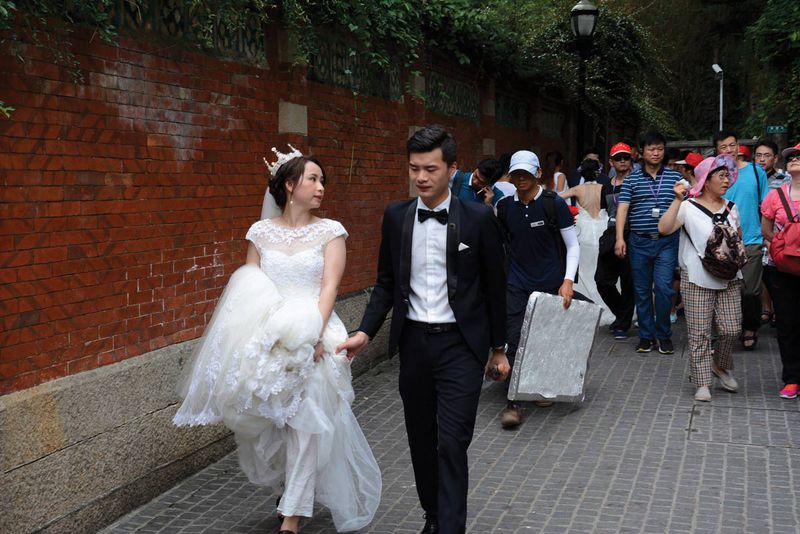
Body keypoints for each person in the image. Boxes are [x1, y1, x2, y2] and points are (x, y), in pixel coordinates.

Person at [174, 148, 381, 534]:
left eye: (322, 181)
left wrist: (312, 336)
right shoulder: (260, 233)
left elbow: (329, 286)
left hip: (317, 329)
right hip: (269, 331)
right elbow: (250, 287)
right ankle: (289, 487)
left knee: (308, 418)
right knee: (274, 422)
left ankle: (292, 517)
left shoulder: (331, 231)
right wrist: (259, 335)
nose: (321, 187)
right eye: (312, 179)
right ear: (289, 185)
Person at [337, 125, 509, 534]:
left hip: (461, 346)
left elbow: (495, 286)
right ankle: (433, 515)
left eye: (430, 168)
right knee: (420, 440)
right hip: (413, 344)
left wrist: (498, 348)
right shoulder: (396, 217)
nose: (421, 178)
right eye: (414, 168)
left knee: (452, 443)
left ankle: (449, 527)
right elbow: (384, 285)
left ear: (452, 169)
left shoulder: (479, 218)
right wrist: (365, 331)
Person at [495, 150, 581, 427]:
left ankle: (542, 385)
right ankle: (514, 402)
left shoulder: (553, 204)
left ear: (538, 174)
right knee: (514, 336)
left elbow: (572, 245)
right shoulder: (505, 207)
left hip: (550, 283)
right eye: (516, 174)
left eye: (526, 174)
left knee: (546, 339)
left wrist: (567, 281)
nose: (521, 179)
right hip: (517, 283)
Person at [658, 155, 743, 402]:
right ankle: (702, 382)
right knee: (699, 332)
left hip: (729, 276)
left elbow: (738, 237)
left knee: (731, 329)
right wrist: (677, 200)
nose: (727, 180)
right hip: (696, 277)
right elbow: (664, 229)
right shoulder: (688, 207)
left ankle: (719, 365)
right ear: (706, 180)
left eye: (728, 175)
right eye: (721, 176)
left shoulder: (731, 207)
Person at [614, 132, 682, 354]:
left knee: (663, 289)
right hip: (639, 242)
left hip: (666, 242)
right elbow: (622, 209)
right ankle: (646, 336)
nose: (656, 153)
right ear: (641, 152)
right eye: (651, 149)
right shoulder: (632, 179)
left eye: (660, 149)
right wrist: (619, 238)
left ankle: (663, 335)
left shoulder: (674, 178)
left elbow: (685, 208)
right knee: (642, 291)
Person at [715, 130, 769, 350]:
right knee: (724, 288)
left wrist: (767, 236)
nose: (729, 150)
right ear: (717, 150)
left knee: (750, 290)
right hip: (721, 240)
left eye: (733, 145)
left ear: (739, 147)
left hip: (751, 238)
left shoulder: (757, 172)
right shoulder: (713, 173)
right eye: (724, 147)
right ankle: (727, 330)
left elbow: (765, 207)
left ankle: (750, 328)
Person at [760, 142, 800, 399]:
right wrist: (778, 249)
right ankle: (792, 378)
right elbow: (766, 229)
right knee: (787, 323)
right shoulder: (775, 195)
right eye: (791, 157)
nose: (794, 159)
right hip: (782, 269)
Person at [560, 158, 612, 322]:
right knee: (601, 266)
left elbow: (558, 197)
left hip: (583, 228)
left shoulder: (578, 188)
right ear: (598, 172)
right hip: (602, 226)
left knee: (584, 268)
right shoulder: (604, 187)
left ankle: (586, 307)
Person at [595, 142, 636, 339]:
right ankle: (622, 315)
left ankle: (623, 323)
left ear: (631, 160)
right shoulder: (606, 187)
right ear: (611, 161)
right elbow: (606, 211)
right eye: (618, 158)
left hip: (632, 234)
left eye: (625, 157)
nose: (622, 161)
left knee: (629, 282)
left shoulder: (638, 182)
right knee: (602, 280)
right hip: (611, 234)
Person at [754, 139, 789, 326]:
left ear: (775, 159)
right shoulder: (750, 178)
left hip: (778, 235)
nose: (761, 160)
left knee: (776, 273)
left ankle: (778, 310)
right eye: (758, 155)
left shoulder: (786, 181)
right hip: (755, 232)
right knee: (759, 274)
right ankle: (766, 308)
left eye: (766, 156)